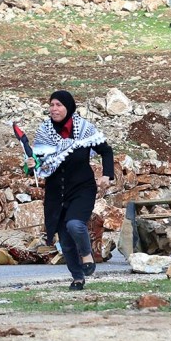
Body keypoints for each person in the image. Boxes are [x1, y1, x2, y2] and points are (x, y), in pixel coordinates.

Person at [29, 90, 114, 291]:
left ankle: (86, 255)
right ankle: (77, 278)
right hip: (55, 193)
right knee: (65, 242)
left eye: (58, 105)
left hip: (82, 188)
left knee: (75, 225)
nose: (54, 109)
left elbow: (106, 150)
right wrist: (31, 164)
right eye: (51, 105)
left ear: (69, 107)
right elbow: (37, 164)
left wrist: (107, 175)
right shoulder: (44, 133)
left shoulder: (84, 129)